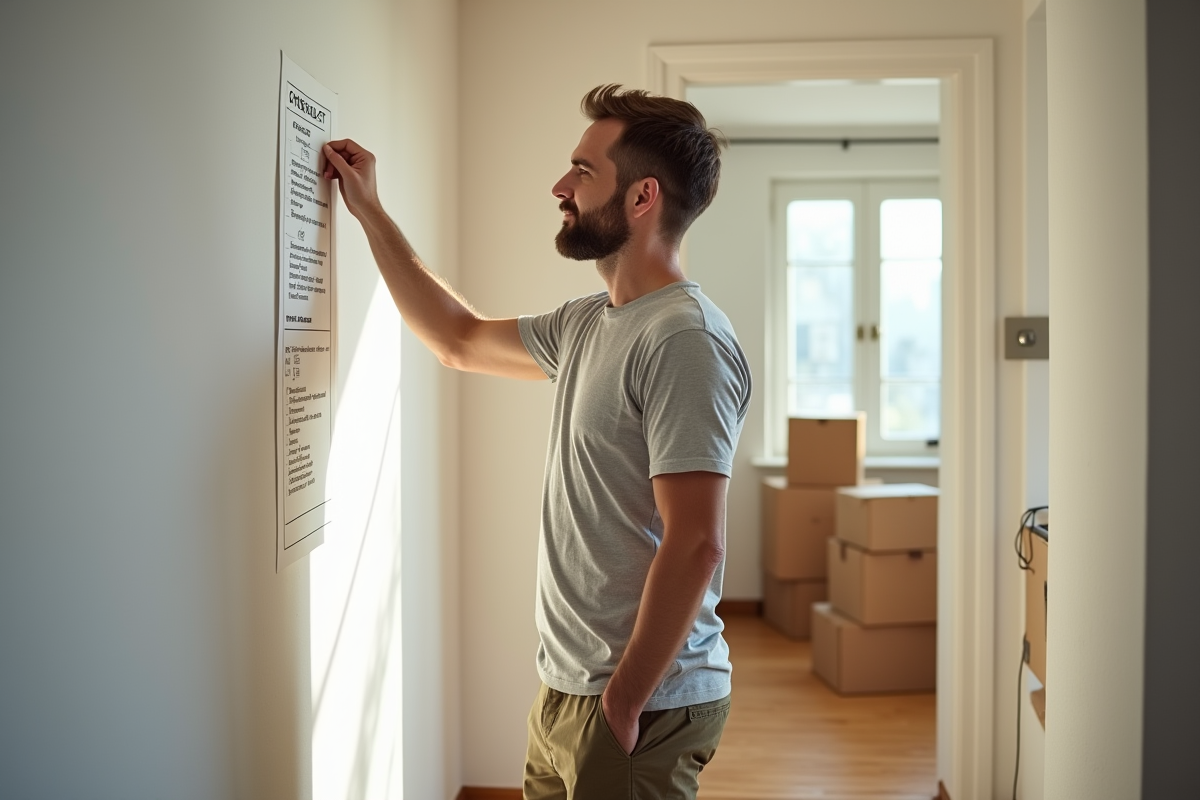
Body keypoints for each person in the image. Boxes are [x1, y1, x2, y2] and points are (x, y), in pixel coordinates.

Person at [322, 84, 752, 800]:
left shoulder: (684, 339)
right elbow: (458, 339)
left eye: (583, 171)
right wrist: (369, 209)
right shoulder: (589, 323)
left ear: (642, 197)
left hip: (641, 700)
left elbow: (697, 542)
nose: (560, 187)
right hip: (568, 689)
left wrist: (622, 703)